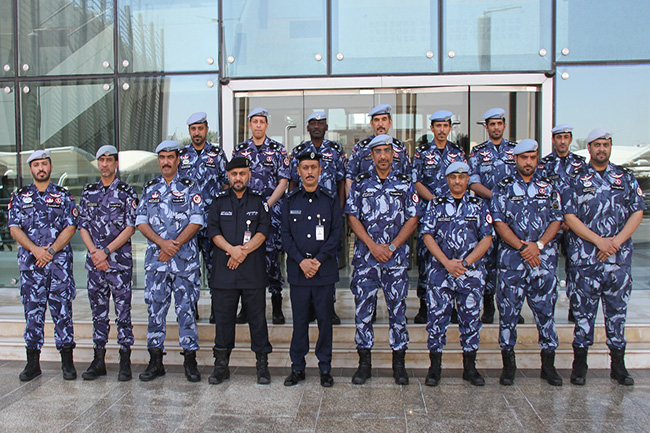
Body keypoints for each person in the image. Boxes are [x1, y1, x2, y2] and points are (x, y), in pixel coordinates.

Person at [562, 128, 646, 386]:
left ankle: (618, 367)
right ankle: (580, 366)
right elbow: (569, 216)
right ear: (588, 148)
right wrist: (599, 241)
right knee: (583, 316)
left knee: (617, 315)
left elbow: (637, 212)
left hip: (617, 262)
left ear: (610, 147)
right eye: (597, 144)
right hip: (586, 261)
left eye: (606, 144)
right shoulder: (575, 178)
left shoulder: (625, 177)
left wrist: (615, 243)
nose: (601, 149)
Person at [345, 134, 420, 385]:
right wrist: (372, 246)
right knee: (363, 311)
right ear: (372, 155)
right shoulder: (360, 183)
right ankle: (364, 365)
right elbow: (352, 217)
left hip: (395, 260)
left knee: (398, 311)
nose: (383, 156)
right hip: (366, 260)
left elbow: (413, 218)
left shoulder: (405, 183)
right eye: (378, 152)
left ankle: (399, 365)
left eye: (387, 151)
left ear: (393, 154)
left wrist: (392, 246)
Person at [491, 139, 563, 386]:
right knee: (508, 315)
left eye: (532, 157)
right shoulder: (503, 187)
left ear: (537, 159)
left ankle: (548, 366)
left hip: (541, 262)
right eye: (524, 158)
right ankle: (509, 367)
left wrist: (538, 245)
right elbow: (498, 222)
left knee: (546, 314)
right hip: (512, 263)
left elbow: (556, 219)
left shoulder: (548, 187)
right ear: (516, 160)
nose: (528, 162)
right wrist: (522, 247)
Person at [135, 140, 204, 383]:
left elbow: (197, 220)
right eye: (162, 157)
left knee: (187, 311)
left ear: (178, 159)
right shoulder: (150, 187)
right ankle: (155, 362)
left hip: (184, 263)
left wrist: (173, 246)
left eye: (170, 157)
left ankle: (190, 361)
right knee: (155, 311)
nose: (166, 161)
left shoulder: (190, 186)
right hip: (157, 263)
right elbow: (140, 221)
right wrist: (162, 244)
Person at [420, 161, 493, 386]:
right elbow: (427, 235)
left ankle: (470, 368)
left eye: (462, 177)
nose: (458, 181)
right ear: (447, 179)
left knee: (470, 321)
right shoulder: (436, 204)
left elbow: (487, 238)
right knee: (436, 321)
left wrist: (466, 263)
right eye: (453, 177)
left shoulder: (479, 205)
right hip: (441, 274)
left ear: (468, 179)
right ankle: (435, 369)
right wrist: (447, 263)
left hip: (470, 275)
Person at [8, 150, 78, 381]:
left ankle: (67, 363)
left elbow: (71, 227)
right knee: (33, 314)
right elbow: (14, 228)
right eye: (37, 164)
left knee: (63, 313)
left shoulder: (63, 196)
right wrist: (36, 250)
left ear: (50, 167)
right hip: (32, 268)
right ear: (31, 169)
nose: (41, 168)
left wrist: (50, 251)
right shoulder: (20, 197)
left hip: (58, 267)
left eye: (44, 164)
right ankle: (32, 364)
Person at [207, 156, 273, 385]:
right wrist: (232, 251)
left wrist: (241, 252)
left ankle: (262, 366)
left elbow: (263, 230)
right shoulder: (218, 201)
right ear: (228, 176)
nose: (238, 178)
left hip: (252, 271)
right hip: (224, 272)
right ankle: (221, 367)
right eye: (234, 174)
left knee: (258, 321)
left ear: (249, 175)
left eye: (242, 173)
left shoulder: (258, 201)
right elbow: (213, 231)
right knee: (223, 321)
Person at [282, 152, 342, 387]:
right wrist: (302, 261)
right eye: (305, 167)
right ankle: (297, 367)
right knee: (299, 323)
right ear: (298, 171)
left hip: (323, 273)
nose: (309, 172)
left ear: (320, 170)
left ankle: (325, 368)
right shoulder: (290, 199)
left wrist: (317, 260)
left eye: (313, 167)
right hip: (299, 273)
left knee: (325, 323)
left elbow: (336, 233)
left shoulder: (330, 199)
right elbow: (285, 235)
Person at [77, 145, 137, 381]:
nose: (104, 164)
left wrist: (106, 252)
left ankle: (125, 361)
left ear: (116, 164)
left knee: (123, 314)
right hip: (96, 265)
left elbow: (130, 227)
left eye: (109, 160)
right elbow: (82, 226)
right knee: (98, 314)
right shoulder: (88, 191)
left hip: (118, 265)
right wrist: (95, 253)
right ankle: (98, 360)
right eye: (101, 160)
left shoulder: (126, 192)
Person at [289, 110, 347, 324]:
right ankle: (309, 308)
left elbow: (341, 182)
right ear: (307, 127)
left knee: (327, 259)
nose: (316, 126)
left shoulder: (336, 150)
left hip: (328, 213)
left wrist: (339, 210)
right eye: (313, 123)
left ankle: (328, 307)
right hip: (303, 213)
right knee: (305, 256)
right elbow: (292, 182)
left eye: (320, 123)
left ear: (326, 127)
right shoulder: (299, 151)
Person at [233, 108, 289, 324]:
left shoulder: (278, 150)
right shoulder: (240, 150)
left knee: (272, 258)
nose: (258, 125)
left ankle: (276, 304)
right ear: (249, 125)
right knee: (245, 256)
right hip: (246, 214)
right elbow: (235, 180)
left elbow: (283, 182)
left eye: (261, 122)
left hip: (271, 212)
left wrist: (267, 204)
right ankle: (246, 307)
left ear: (266, 125)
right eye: (254, 121)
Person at [411, 110, 467, 324]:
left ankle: (451, 306)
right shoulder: (422, 152)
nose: (442, 130)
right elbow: (416, 181)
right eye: (438, 126)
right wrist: (436, 202)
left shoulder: (458, 152)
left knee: (453, 256)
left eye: (445, 126)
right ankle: (424, 306)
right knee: (426, 259)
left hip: (455, 216)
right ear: (432, 128)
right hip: (430, 214)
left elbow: (465, 180)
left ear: (450, 128)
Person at [467, 107, 520, 325]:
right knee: (487, 261)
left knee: (512, 261)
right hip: (487, 214)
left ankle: (512, 308)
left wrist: (507, 201)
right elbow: (473, 182)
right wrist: (497, 197)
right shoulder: (478, 152)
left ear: (504, 125)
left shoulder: (516, 150)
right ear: (487, 127)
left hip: (512, 216)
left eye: (499, 123)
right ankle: (488, 306)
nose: (496, 127)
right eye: (492, 124)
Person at [178, 112, 229, 324]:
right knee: (189, 268)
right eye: (193, 129)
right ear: (189, 131)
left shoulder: (217, 154)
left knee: (214, 267)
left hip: (211, 223)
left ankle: (217, 309)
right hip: (188, 224)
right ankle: (192, 307)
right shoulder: (181, 155)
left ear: (207, 130)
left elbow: (226, 184)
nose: (197, 132)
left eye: (200, 128)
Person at [538, 124, 586, 323]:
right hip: (552, 224)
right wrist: (558, 219)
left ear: (571, 139)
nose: (562, 141)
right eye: (559, 137)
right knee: (548, 269)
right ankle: (546, 310)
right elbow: (541, 195)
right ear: (553, 140)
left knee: (576, 267)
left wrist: (571, 218)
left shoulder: (581, 164)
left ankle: (575, 308)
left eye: (566, 137)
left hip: (574, 224)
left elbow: (585, 194)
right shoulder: (544, 165)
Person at [345, 103, 411, 196]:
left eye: (384, 119)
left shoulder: (399, 147)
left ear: (390, 122)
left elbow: (409, 178)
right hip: (367, 201)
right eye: (377, 120)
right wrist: (353, 202)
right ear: (371, 124)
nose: (380, 124)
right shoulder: (361, 148)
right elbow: (350, 178)